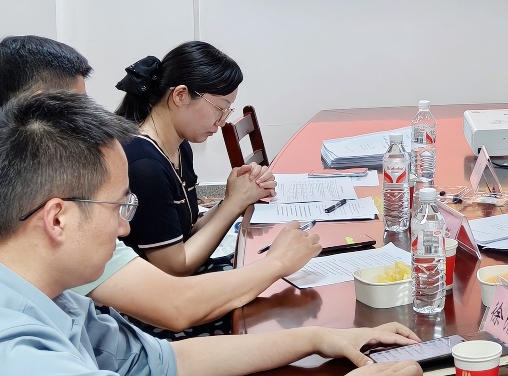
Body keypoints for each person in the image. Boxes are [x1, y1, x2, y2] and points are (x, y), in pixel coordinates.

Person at [0, 90, 420, 375]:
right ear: (58, 219)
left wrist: (319, 337)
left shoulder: (61, 300)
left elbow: (169, 361)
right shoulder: (20, 354)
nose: (126, 227)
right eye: (119, 206)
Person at [0, 34, 321, 335]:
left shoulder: (172, 148)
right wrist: (273, 257)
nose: (123, 227)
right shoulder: (123, 174)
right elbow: (174, 296)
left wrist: (233, 202)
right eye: (78, 107)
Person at [114, 41, 273, 279]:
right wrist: (234, 204)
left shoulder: (179, 146)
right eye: (220, 108)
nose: (221, 121)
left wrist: (232, 198)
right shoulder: (144, 164)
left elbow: (187, 232)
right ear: (180, 95)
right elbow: (175, 267)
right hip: (153, 294)